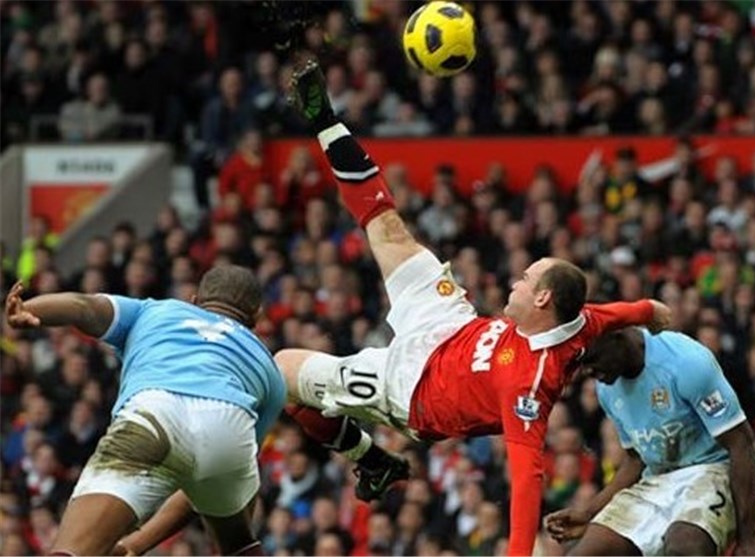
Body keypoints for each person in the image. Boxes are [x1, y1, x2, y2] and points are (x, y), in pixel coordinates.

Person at [275, 60, 672, 556]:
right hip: (450, 323)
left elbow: (526, 478)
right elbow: (616, 312)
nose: (516, 278)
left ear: (543, 299)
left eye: (527, 278)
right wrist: (648, 308)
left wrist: (518, 553)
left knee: (281, 372)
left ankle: (370, 459)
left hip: (412, 389)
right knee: (388, 227)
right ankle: (326, 120)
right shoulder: (575, 320)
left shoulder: (529, 384)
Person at [3, 265, 286, 556]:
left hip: (154, 412)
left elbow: (84, 306)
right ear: (257, 316)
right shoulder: (270, 371)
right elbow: (208, 476)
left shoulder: (154, 310)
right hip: (229, 426)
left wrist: (29, 309)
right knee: (239, 543)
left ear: (193, 300)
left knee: (73, 550)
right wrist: (136, 544)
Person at [545, 327, 755, 556]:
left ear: (618, 336)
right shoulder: (606, 387)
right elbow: (636, 460)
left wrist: (749, 538)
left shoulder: (685, 361)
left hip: (716, 468)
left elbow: (741, 444)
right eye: (582, 363)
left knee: (685, 544)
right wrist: (589, 512)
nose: (588, 371)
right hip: (659, 478)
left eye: (592, 359)